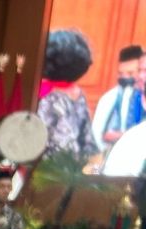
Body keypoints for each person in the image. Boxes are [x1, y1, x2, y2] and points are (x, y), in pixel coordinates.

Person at [37, 29, 100, 161]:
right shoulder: (78, 93)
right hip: (74, 167)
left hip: (48, 169)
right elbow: (88, 140)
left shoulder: (45, 95)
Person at [93, 45, 144, 153]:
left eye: (131, 73)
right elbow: (98, 134)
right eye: (121, 73)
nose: (125, 78)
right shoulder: (110, 98)